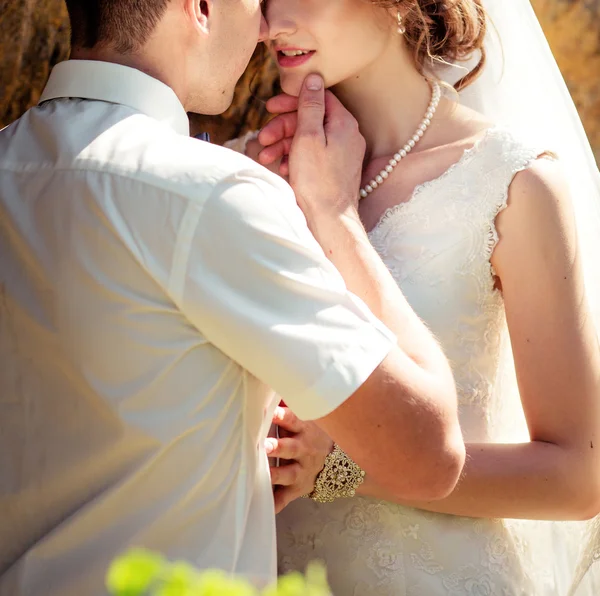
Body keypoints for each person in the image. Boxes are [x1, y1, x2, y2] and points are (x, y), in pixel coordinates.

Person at [0, 0, 468, 594]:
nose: (265, 27)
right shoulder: (211, 196)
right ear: (200, 7)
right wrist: (334, 213)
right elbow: (429, 456)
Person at [232, 0, 600, 594]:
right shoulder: (244, 173)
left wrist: (343, 467)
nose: (272, 23)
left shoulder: (512, 184)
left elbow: (579, 478)